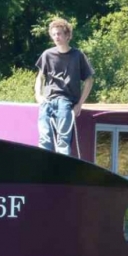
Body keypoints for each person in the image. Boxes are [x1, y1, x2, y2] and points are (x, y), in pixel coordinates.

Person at [34, 18, 94, 155]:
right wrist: (38, 95)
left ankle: (61, 173)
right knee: (44, 140)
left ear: (68, 36)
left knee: (63, 142)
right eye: (54, 34)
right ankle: (43, 171)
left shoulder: (77, 55)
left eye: (59, 34)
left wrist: (79, 104)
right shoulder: (47, 54)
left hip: (66, 102)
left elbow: (89, 80)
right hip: (47, 101)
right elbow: (40, 77)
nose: (56, 37)